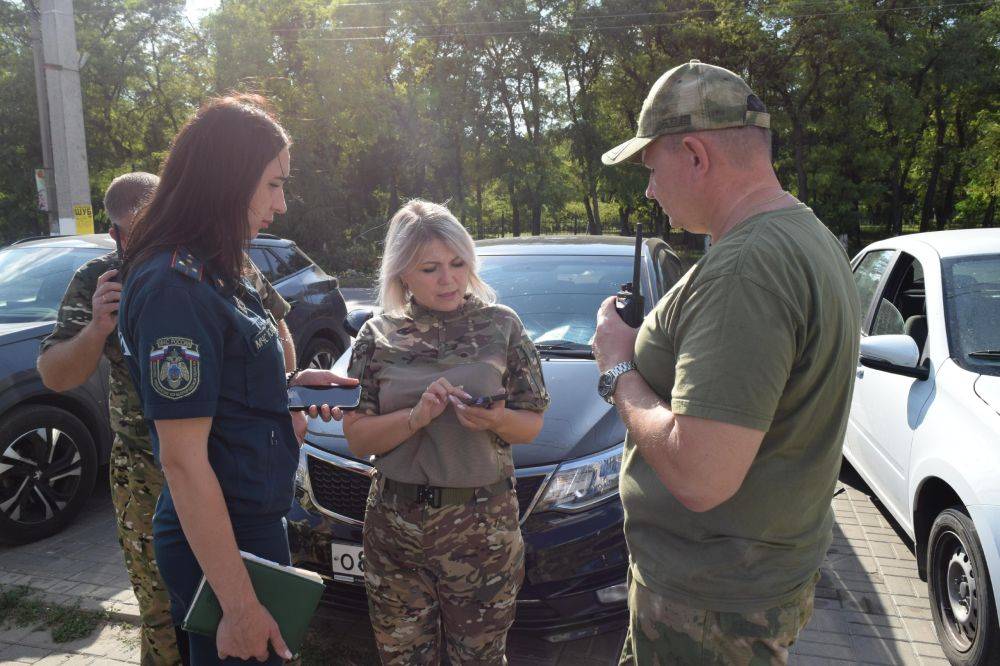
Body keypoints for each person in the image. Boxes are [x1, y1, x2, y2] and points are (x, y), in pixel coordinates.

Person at [593, 60, 862, 664]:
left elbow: (700, 474)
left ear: (694, 154)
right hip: (744, 585)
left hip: (709, 608)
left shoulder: (746, 268)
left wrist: (617, 370)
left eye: (651, 166)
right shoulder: (807, 234)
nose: (649, 188)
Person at [117, 94, 355, 665]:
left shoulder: (218, 268)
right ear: (229, 178)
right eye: (273, 184)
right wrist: (241, 606)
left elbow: (230, 386)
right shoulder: (176, 287)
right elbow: (182, 460)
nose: (281, 203)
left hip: (245, 525)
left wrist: (295, 386)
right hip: (223, 539)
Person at [37, 171, 294, 665]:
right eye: (137, 228)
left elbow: (275, 325)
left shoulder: (220, 263)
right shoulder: (102, 279)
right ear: (116, 232)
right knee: (164, 614)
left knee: (236, 606)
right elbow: (54, 374)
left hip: (219, 470)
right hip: (146, 472)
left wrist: (284, 392)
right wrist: (96, 328)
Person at [341, 199, 549, 665]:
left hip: (482, 528)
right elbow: (357, 438)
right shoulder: (377, 335)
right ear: (402, 274)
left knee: (479, 659)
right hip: (395, 527)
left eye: (458, 263)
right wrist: (415, 418)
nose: (449, 279)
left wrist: (495, 420)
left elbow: (532, 424)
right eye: (431, 268)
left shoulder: (502, 326)